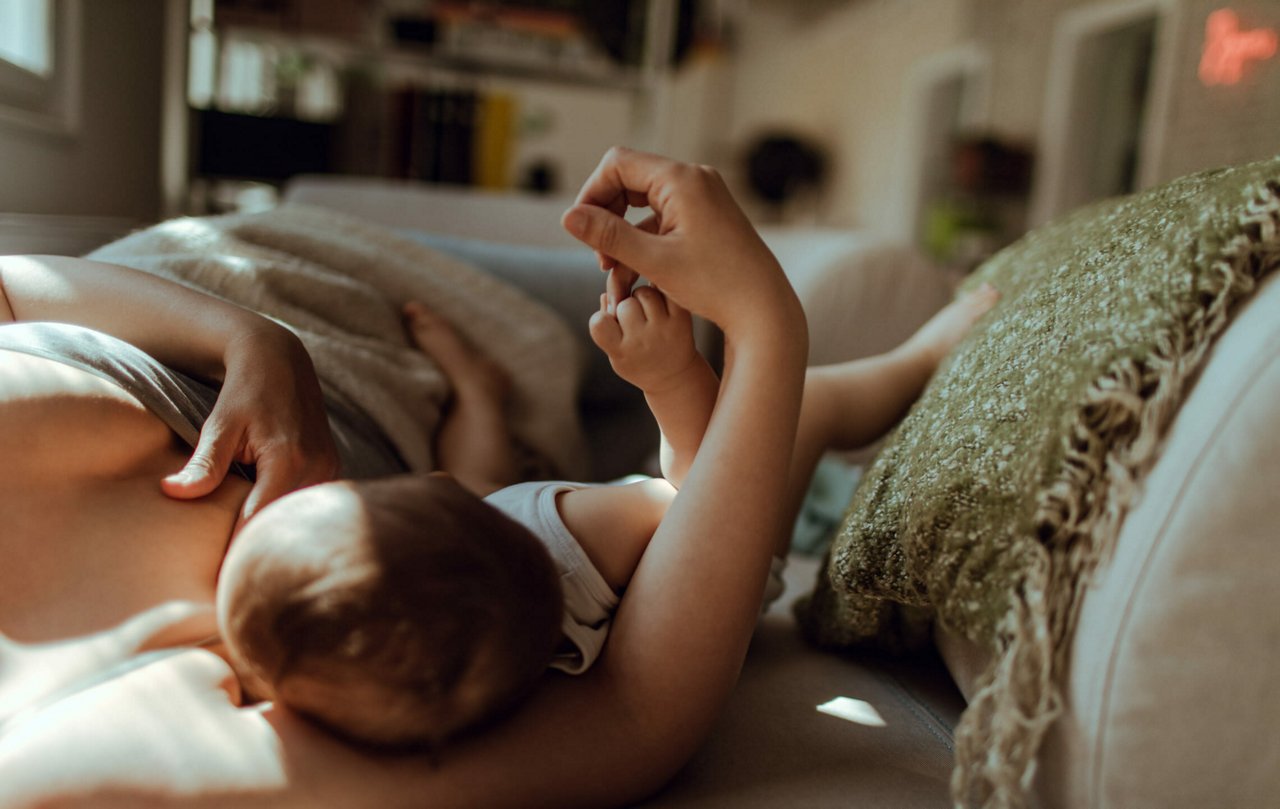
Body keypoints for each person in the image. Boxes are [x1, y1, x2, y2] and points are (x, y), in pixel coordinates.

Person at [0, 147, 994, 808]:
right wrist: (764, 326)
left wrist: (251, 339)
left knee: (625, 285)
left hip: (281, 285)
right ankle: (901, 369)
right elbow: (632, 714)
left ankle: (878, 364)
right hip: (464, 508)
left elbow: (10, 282)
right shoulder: (85, 757)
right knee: (760, 399)